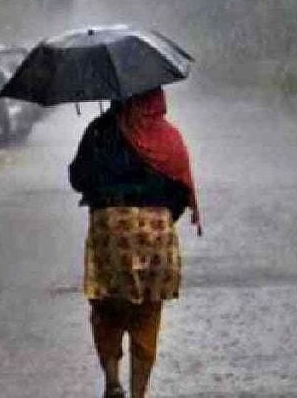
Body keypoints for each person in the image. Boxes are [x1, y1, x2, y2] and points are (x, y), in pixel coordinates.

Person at [70, 87, 202, 398]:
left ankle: (113, 380)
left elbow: (77, 177)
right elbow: (181, 190)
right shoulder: (168, 137)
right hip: (156, 233)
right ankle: (139, 393)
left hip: (110, 230)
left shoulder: (101, 131)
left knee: (106, 305)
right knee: (147, 313)